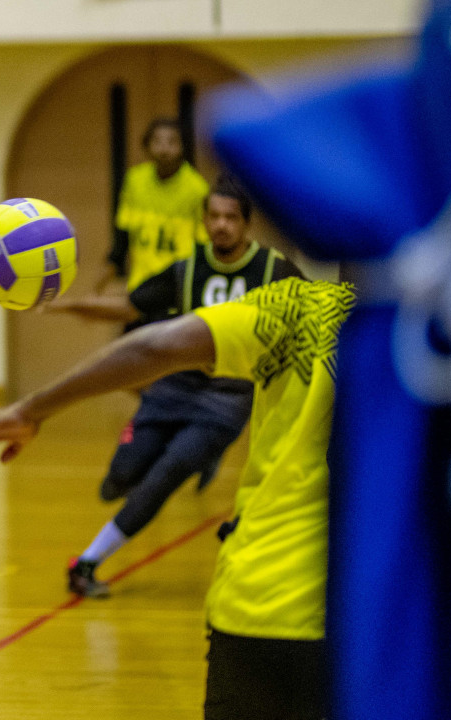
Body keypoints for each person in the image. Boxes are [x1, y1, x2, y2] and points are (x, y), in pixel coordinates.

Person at [0, 276, 353, 720]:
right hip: (402, 620)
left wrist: (31, 410)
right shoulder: (440, 328)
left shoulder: (303, 307)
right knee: (127, 478)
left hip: (271, 604)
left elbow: (153, 349)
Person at [48, 173, 304, 597]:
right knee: (117, 481)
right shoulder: (186, 271)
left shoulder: (275, 271)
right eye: (215, 217)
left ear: (247, 224)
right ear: (204, 221)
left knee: (163, 478)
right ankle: (192, 455)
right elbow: (128, 306)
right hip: (173, 388)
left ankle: (87, 563)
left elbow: (313, 322)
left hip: (227, 398)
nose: (222, 225)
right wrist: (67, 305)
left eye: (231, 218)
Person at [108, 118, 209, 292]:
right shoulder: (134, 180)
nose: (164, 149)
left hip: (177, 286)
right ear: (146, 146)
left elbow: (204, 245)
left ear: (183, 147)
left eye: (171, 142)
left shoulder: (197, 188)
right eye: (157, 141)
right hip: (139, 285)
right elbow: (122, 239)